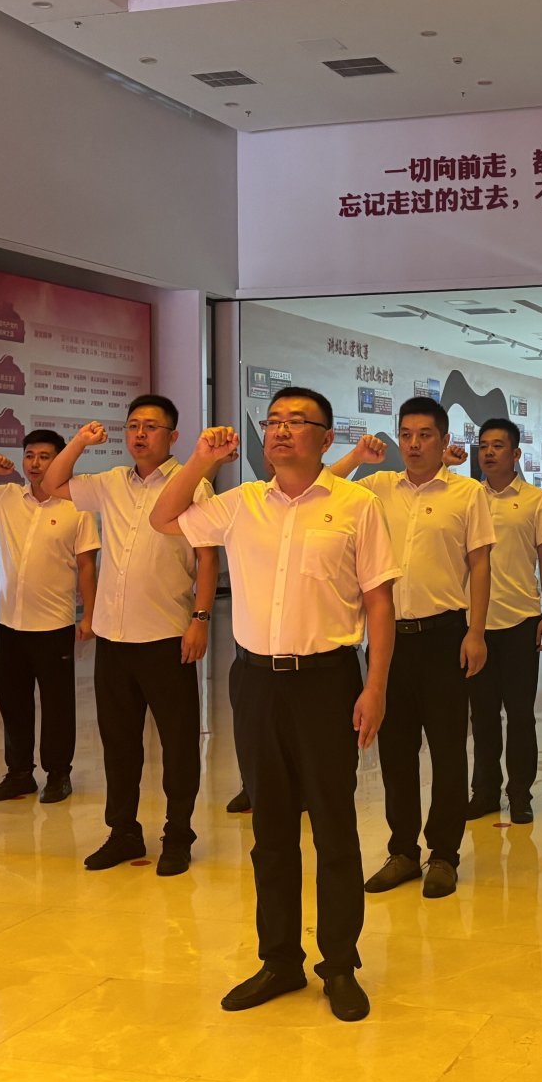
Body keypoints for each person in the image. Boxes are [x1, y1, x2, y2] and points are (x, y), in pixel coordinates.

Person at [149, 388, 397, 1023]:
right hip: (256, 682)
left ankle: (339, 964)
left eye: (296, 422)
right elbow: (164, 518)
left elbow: (379, 604)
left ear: (326, 437)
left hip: (327, 681)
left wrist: (375, 687)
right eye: (274, 421)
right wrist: (201, 461)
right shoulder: (240, 504)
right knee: (272, 832)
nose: (281, 430)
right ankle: (280, 959)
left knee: (335, 830)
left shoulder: (358, 506)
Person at [40, 395, 213, 876]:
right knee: (119, 744)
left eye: (151, 427)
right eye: (133, 425)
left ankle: (178, 833)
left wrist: (200, 618)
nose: (139, 434)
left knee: (178, 743)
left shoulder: (191, 485)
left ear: (172, 436)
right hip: (114, 637)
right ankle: (123, 831)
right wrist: (80, 441)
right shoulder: (111, 482)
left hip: (166, 635)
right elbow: (52, 484)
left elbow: (207, 556)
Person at [330, 398, 494, 899]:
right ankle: (402, 851)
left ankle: (444, 854)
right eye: (406, 434)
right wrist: (357, 456)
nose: (414, 444)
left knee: (447, 751)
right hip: (387, 643)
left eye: (425, 435)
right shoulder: (377, 488)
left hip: (445, 637)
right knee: (395, 752)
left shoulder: (467, 494)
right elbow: (323, 487)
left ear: (444, 441)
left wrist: (476, 632)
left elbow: (480, 566)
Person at [0, 431, 99, 805]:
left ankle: (58, 775)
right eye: (30, 455)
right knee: (12, 702)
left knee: (57, 705)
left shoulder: (77, 507)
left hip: (53, 624)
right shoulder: (5, 497)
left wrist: (90, 616)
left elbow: (87, 567)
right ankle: (19, 774)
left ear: (61, 460)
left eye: (45, 456)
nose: (35, 463)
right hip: (7, 622)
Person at [467, 417, 542, 826]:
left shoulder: (537, 500)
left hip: (521, 620)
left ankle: (520, 793)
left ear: (516, 453)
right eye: (483, 446)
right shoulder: (469, 497)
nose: (488, 452)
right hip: (475, 627)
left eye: (497, 446)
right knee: (482, 716)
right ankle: (485, 792)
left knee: (520, 715)